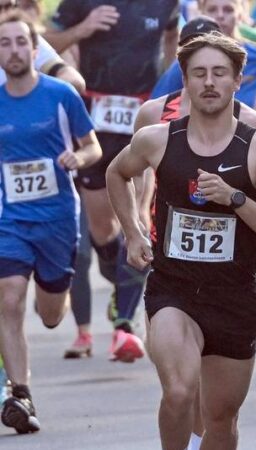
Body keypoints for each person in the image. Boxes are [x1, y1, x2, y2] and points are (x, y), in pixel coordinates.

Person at [106, 32, 256, 450]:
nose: (209, 82)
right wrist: (134, 232)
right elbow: (116, 174)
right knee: (178, 391)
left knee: (221, 421)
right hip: (173, 289)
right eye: (199, 74)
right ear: (186, 82)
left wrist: (236, 199)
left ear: (237, 81)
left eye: (219, 73)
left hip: (233, 296)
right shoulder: (157, 139)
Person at [45, 0, 181, 363]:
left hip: (142, 116)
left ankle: (124, 324)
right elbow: (43, 42)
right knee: (104, 229)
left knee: (138, 216)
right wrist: (82, 29)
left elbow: (173, 35)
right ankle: (116, 264)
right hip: (95, 119)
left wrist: (166, 79)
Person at [0, 10, 101, 434]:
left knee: (51, 315)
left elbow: (93, 147)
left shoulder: (61, 95)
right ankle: (19, 391)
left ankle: (56, 296)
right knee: (8, 296)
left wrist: (78, 158)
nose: (14, 50)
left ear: (34, 46)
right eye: (4, 43)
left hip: (58, 219)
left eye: (21, 41)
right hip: (11, 219)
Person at [151, 0, 256, 107]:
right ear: (201, 13)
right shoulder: (188, 60)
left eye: (228, 10)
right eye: (212, 10)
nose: (220, 15)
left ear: (240, 14)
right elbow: (158, 105)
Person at [0, 0, 85, 92]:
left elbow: (71, 77)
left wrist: (41, 97)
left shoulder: (24, 37)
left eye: (10, 7)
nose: (5, 14)